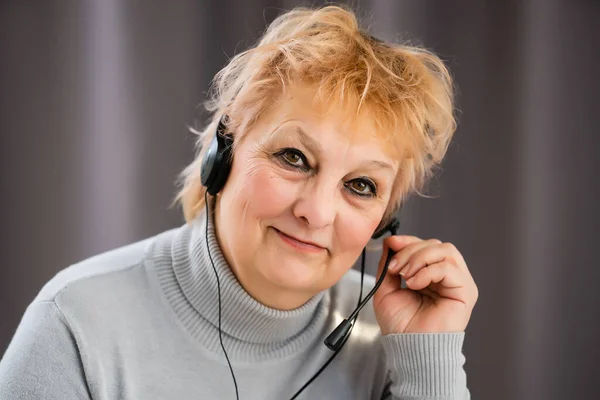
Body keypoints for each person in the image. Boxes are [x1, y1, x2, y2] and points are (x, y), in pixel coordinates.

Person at [0, 5, 478, 400]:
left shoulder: (392, 340)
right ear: (221, 155)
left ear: (383, 222)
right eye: (294, 157)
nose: (316, 211)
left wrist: (428, 358)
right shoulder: (76, 324)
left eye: (360, 186)